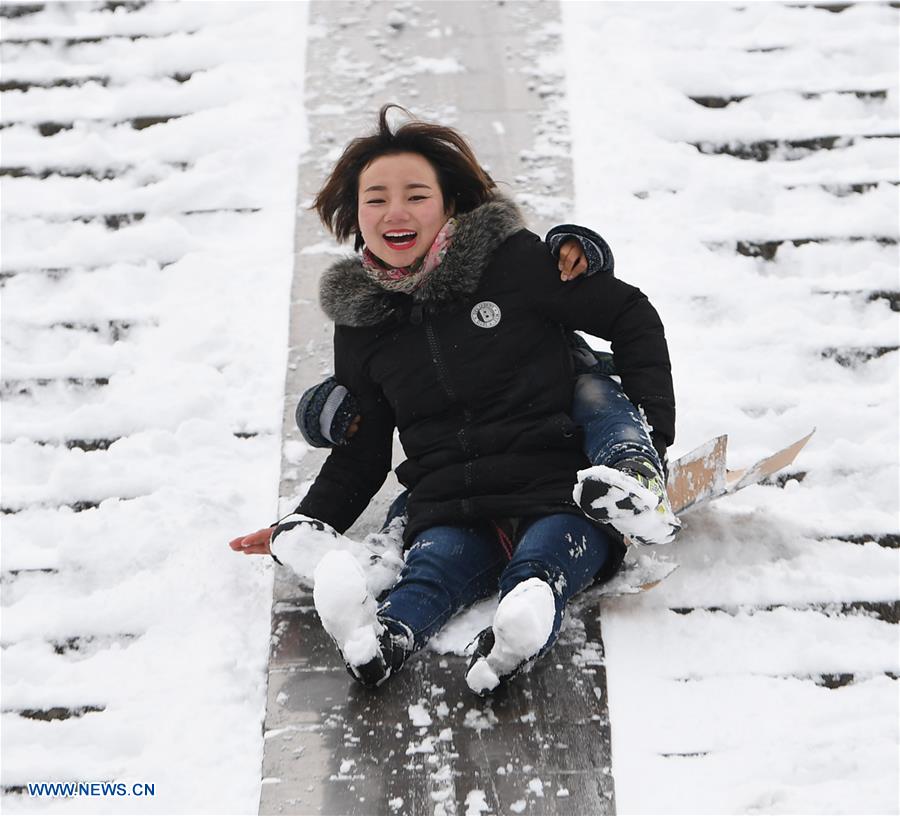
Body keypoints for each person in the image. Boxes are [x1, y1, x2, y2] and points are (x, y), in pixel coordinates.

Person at [229, 105, 677, 694]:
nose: (395, 211)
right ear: (355, 214)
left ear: (449, 203)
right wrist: (308, 520)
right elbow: (363, 450)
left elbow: (629, 314)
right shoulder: (361, 324)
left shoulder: (512, 263)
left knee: (547, 555)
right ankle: (379, 643)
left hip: (557, 484)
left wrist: (652, 434)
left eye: (416, 195)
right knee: (432, 569)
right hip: (452, 502)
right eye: (376, 199)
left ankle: (525, 613)